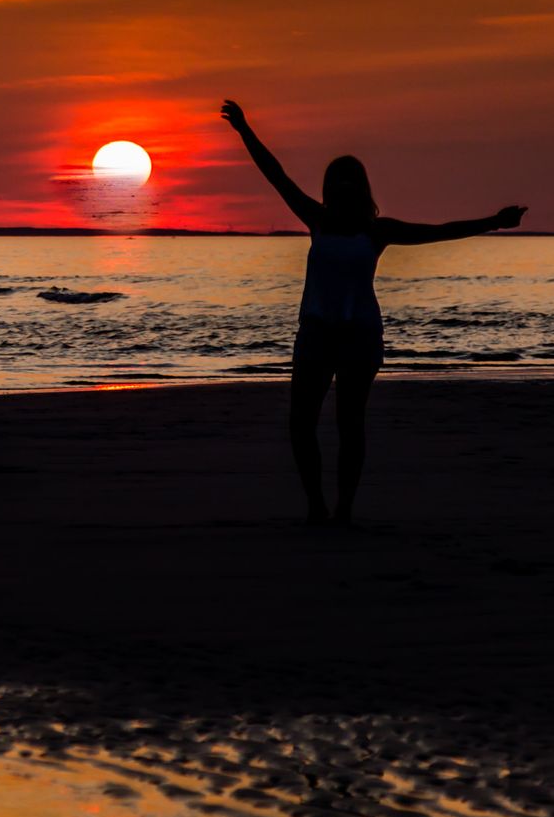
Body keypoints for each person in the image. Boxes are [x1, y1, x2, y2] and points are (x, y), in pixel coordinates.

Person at [221, 100, 526, 526]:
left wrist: (493, 222)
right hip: (316, 334)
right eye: (337, 180)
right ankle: (316, 506)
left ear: (361, 188)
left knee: (349, 423)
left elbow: (440, 232)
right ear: (329, 187)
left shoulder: (376, 231)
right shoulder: (317, 219)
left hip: (359, 338)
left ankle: (344, 507)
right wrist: (244, 130)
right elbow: (276, 175)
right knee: (301, 422)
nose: (343, 186)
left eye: (350, 180)